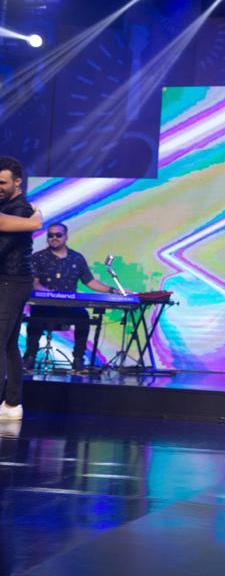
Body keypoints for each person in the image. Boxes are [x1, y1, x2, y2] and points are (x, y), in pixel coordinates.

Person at [25, 222, 119, 372]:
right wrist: (52, 295)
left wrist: (112, 290)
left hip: (69, 307)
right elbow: (34, 283)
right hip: (45, 306)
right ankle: (29, 358)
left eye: (58, 235)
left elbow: (90, 281)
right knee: (35, 316)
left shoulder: (77, 258)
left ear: (66, 237)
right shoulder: (38, 257)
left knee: (83, 317)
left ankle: (78, 359)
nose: (54, 238)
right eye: (50, 235)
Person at [0, 156, 43, 421]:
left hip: (10, 281)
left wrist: (36, 218)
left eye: (2, 182)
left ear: (17, 182)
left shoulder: (18, 209)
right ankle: (12, 404)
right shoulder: (10, 207)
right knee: (8, 344)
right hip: (11, 280)